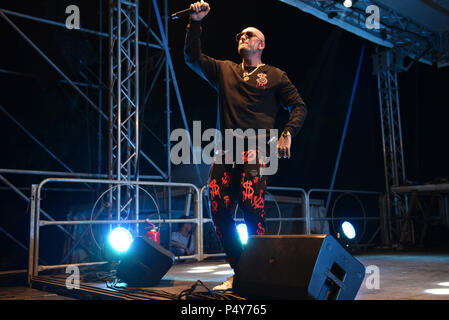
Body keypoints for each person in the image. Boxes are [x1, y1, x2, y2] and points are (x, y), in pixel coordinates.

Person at [185, 1, 307, 290]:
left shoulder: (275, 75)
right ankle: (242, 270)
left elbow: (299, 106)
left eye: (248, 34)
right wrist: (195, 23)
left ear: (261, 44)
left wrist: (287, 132)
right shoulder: (224, 70)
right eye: (240, 35)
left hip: (257, 151)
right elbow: (192, 58)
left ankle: (260, 270)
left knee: (252, 208)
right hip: (226, 152)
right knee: (219, 211)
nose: (242, 36)